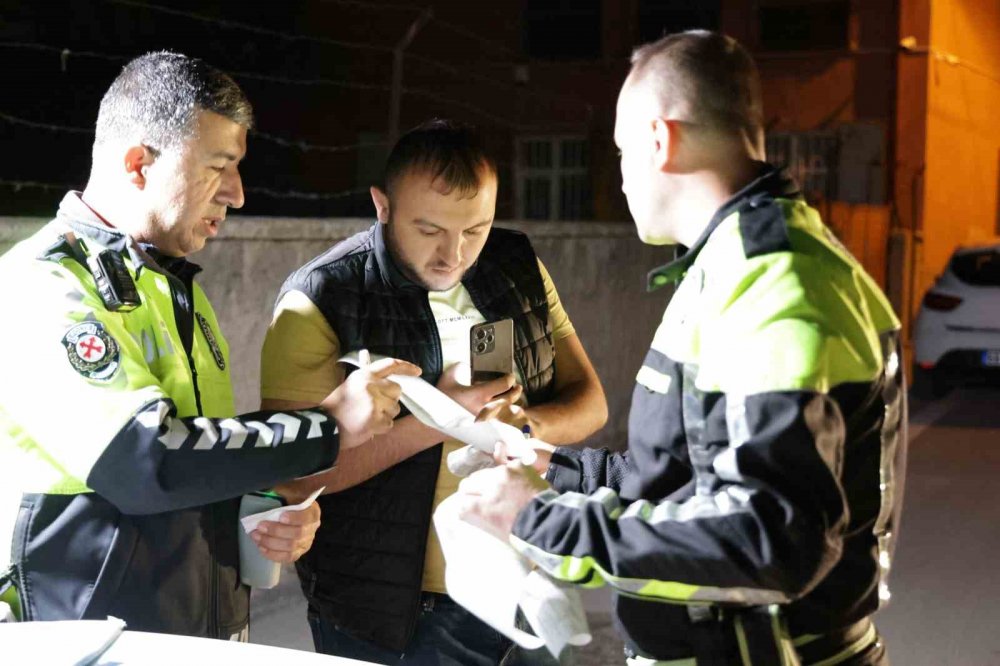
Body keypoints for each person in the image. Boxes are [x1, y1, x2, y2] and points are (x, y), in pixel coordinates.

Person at [457, 31, 907, 666]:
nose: (618, 177)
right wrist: (546, 463)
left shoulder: (773, 283)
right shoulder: (734, 264)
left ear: (659, 141)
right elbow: (685, 473)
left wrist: (541, 521)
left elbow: (771, 541)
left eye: (619, 151)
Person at [0, 52, 419, 640]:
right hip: (89, 645)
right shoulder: (45, 286)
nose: (239, 194)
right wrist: (324, 426)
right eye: (219, 166)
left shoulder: (175, 287)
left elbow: (203, 458)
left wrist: (265, 505)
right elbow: (148, 462)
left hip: (194, 635)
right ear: (138, 163)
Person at [259, 119, 608, 664]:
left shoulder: (516, 266)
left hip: (519, 576)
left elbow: (590, 402)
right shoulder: (322, 295)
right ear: (382, 205)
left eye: (476, 229)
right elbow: (291, 474)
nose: (455, 254)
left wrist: (519, 427)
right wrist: (441, 418)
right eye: (429, 231)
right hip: (389, 607)